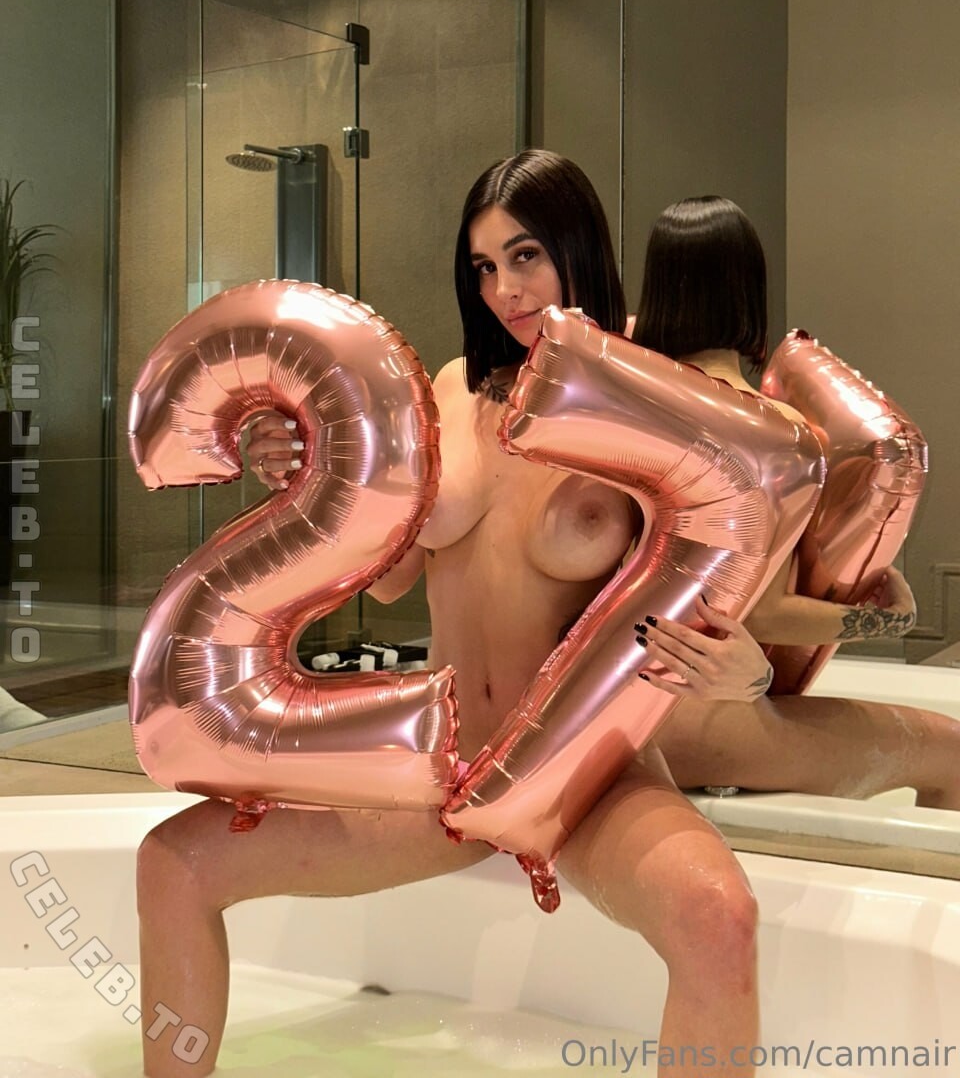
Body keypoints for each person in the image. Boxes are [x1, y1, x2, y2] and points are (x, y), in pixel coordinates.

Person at [137, 153, 777, 1078]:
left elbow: (732, 567)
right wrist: (306, 474)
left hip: (583, 775)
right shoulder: (452, 387)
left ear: (579, 248)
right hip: (438, 765)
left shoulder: (650, 392)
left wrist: (751, 673)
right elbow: (390, 579)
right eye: (482, 267)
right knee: (175, 864)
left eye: (526, 256)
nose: (503, 290)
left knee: (721, 917)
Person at [631, 195, 960, 807]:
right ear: (748, 290)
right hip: (707, 720)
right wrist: (891, 620)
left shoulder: (633, 405)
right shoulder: (772, 427)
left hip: (620, 710)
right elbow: (765, 615)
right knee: (953, 752)